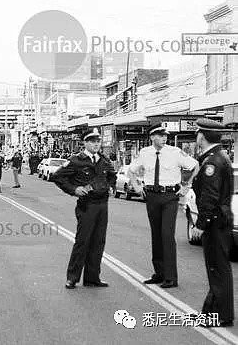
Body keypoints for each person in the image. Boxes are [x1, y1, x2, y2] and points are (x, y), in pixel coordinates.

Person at [128, 123, 199, 288]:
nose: (164, 138)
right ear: (152, 137)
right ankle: (159, 273)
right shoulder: (145, 153)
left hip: (169, 197)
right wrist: (137, 187)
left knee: (167, 235)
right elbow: (131, 170)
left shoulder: (174, 152)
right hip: (151, 196)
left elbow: (195, 166)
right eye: (160, 135)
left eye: (165, 135)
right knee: (156, 235)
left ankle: (171, 277)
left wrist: (187, 186)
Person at [53, 128, 117, 289]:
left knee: (98, 242)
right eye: (93, 141)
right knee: (82, 242)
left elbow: (112, 175)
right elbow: (58, 177)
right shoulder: (76, 161)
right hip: (87, 205)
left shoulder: (104, 160)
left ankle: (92, 278)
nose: (96, 144)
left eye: (98, 141)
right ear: (85, 143)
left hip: (103, 204)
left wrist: (110, 186)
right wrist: (74, 190)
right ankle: (72, 277)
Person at [192, 118, 234, 327]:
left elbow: (209, 196)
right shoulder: (220, 156)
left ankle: (220, 316)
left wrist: (200, 224)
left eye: (198, 133)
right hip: (221, 219)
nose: (197, 136)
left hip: (216, 221)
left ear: (202, 136)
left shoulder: (212, 162)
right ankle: (210, 311)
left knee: (217, 268)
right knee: (217, 268)